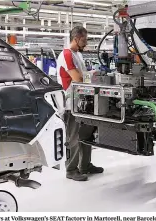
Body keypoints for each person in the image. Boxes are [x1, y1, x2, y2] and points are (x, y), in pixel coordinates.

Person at [56, 26, 104, 181]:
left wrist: (90, 75)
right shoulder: (67, 54)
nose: (86, 43)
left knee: (86, 135)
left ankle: (85, 165)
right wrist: (90, 75)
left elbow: (82, 76)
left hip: (82, 102)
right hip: (71, 103)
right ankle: (71, 169)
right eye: (84, 40)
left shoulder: (78, 54)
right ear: (76, 38)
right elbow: (78, 78)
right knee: (73, 137)